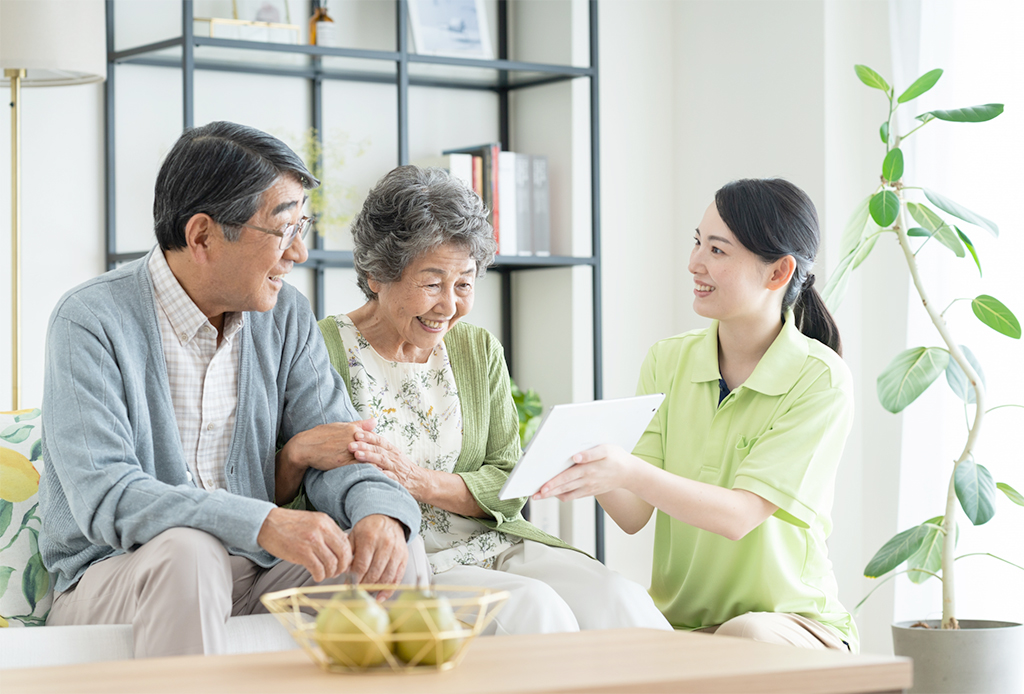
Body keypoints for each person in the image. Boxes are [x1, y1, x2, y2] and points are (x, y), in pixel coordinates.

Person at [39, 122, 424, 659]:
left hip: (256, 570)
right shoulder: (91, 320)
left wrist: (378, 512)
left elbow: (341, 444)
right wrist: (260, 521)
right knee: (189, 555)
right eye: (284, 229)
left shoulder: (285, 315)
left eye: (302, 226)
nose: (299, 253)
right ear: (202, 236)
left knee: (393, 552)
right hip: (116, 575)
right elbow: (107, 495)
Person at [315, 165, 671, 635]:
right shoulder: (322, 349)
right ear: (375, 274)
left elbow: (507, 478)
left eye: (464, 283)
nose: (449, 305)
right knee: (536, 609)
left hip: (495, 540)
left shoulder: (476, 349)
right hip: (412, 556)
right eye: (431, 283)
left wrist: (418, 480)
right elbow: (312, 480)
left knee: (619, 598)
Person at [534, 178, 859, 651]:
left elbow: (739, 516)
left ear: (778, 272)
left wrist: (626, 467)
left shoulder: (820, 379)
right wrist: (581, 458)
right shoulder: (668, 361)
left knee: (744, 634)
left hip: (792, 628)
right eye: (697, 242)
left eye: (718, 251)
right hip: (682, 629)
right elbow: (632, 512)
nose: (694, 263)